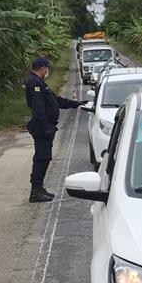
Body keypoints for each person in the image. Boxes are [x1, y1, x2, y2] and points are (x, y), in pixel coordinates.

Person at [25, 56, 82, 203]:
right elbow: (38, 108)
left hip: (45, 127)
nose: (47, 71)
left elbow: (54, 101)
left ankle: (39, 188)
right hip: (42, 128)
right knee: (41, 158)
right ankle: (35, 191)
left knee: (44, 158)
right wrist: (46, 127)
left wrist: (74, 104)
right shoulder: (34, 83)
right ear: (43, 68)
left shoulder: (40, 83)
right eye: (46, 68)